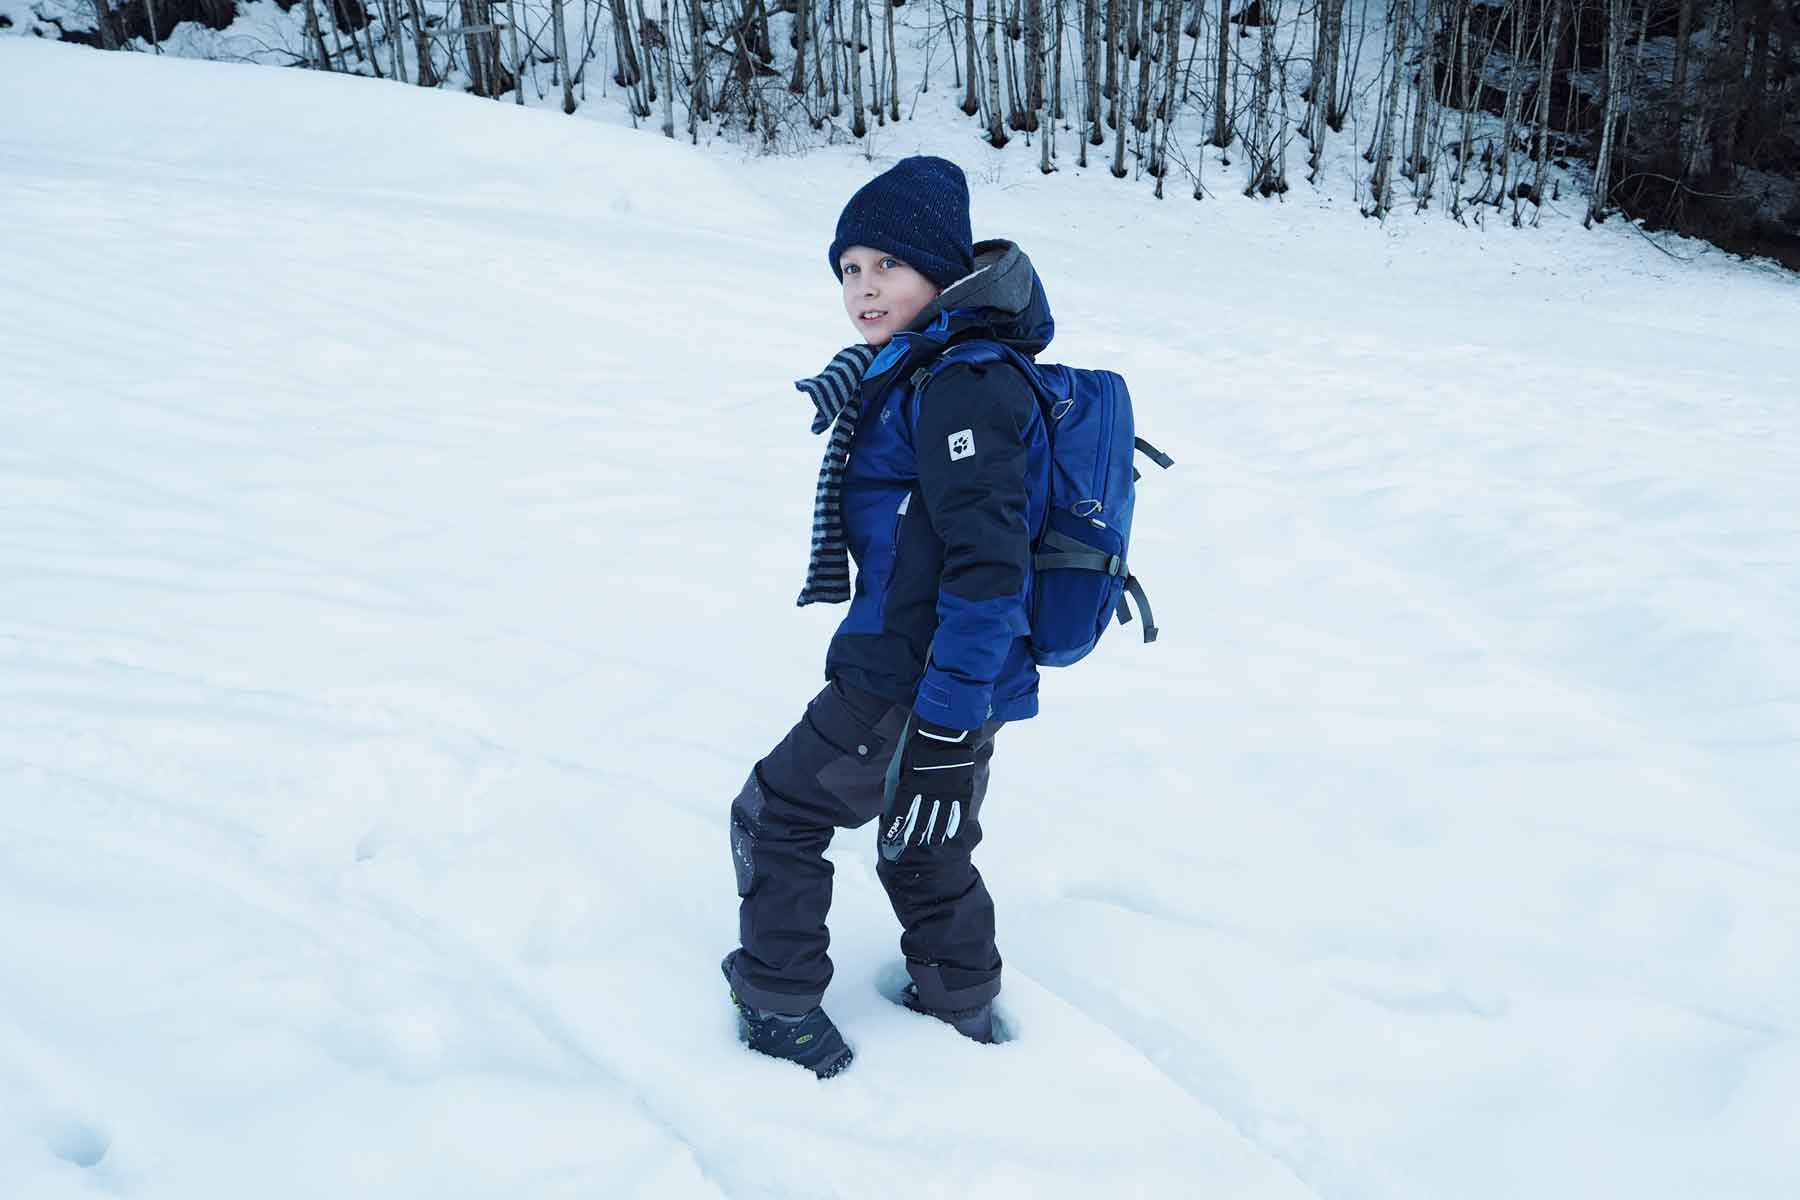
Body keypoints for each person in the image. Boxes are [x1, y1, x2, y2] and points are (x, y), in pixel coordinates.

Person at [721, 156, 1057, 1078]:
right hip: (958, 673)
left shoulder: (956, 383)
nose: (863, 288)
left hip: (911, 674)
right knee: (924, 842)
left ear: (940, 273)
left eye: (886, 266)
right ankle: (961, 1008)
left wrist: (945, 719)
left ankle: (779, 1008)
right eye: (848, 268)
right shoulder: (924, 367)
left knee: (776, 813)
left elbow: (989, 565)